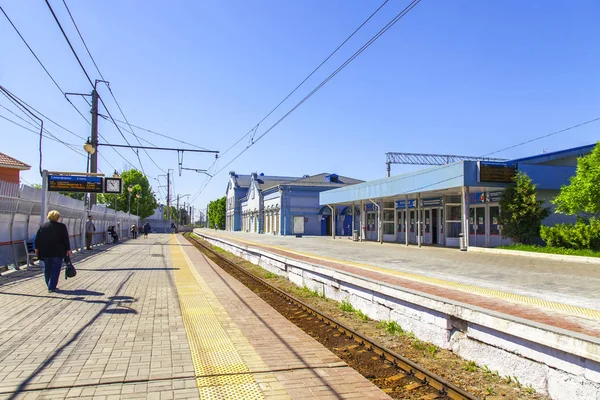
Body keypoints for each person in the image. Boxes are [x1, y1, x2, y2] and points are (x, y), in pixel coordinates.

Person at [34, 210, 71, 292]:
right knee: (56, 269)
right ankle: (52, 286)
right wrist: (68, 249)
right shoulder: (62, 226)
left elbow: (37, 239)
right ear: (58, 217)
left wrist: (36, 249)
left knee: (47, 268)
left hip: (46, 251)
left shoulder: (43, 226)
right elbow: (65, 239)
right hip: (58, 251)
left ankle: (49, 284)